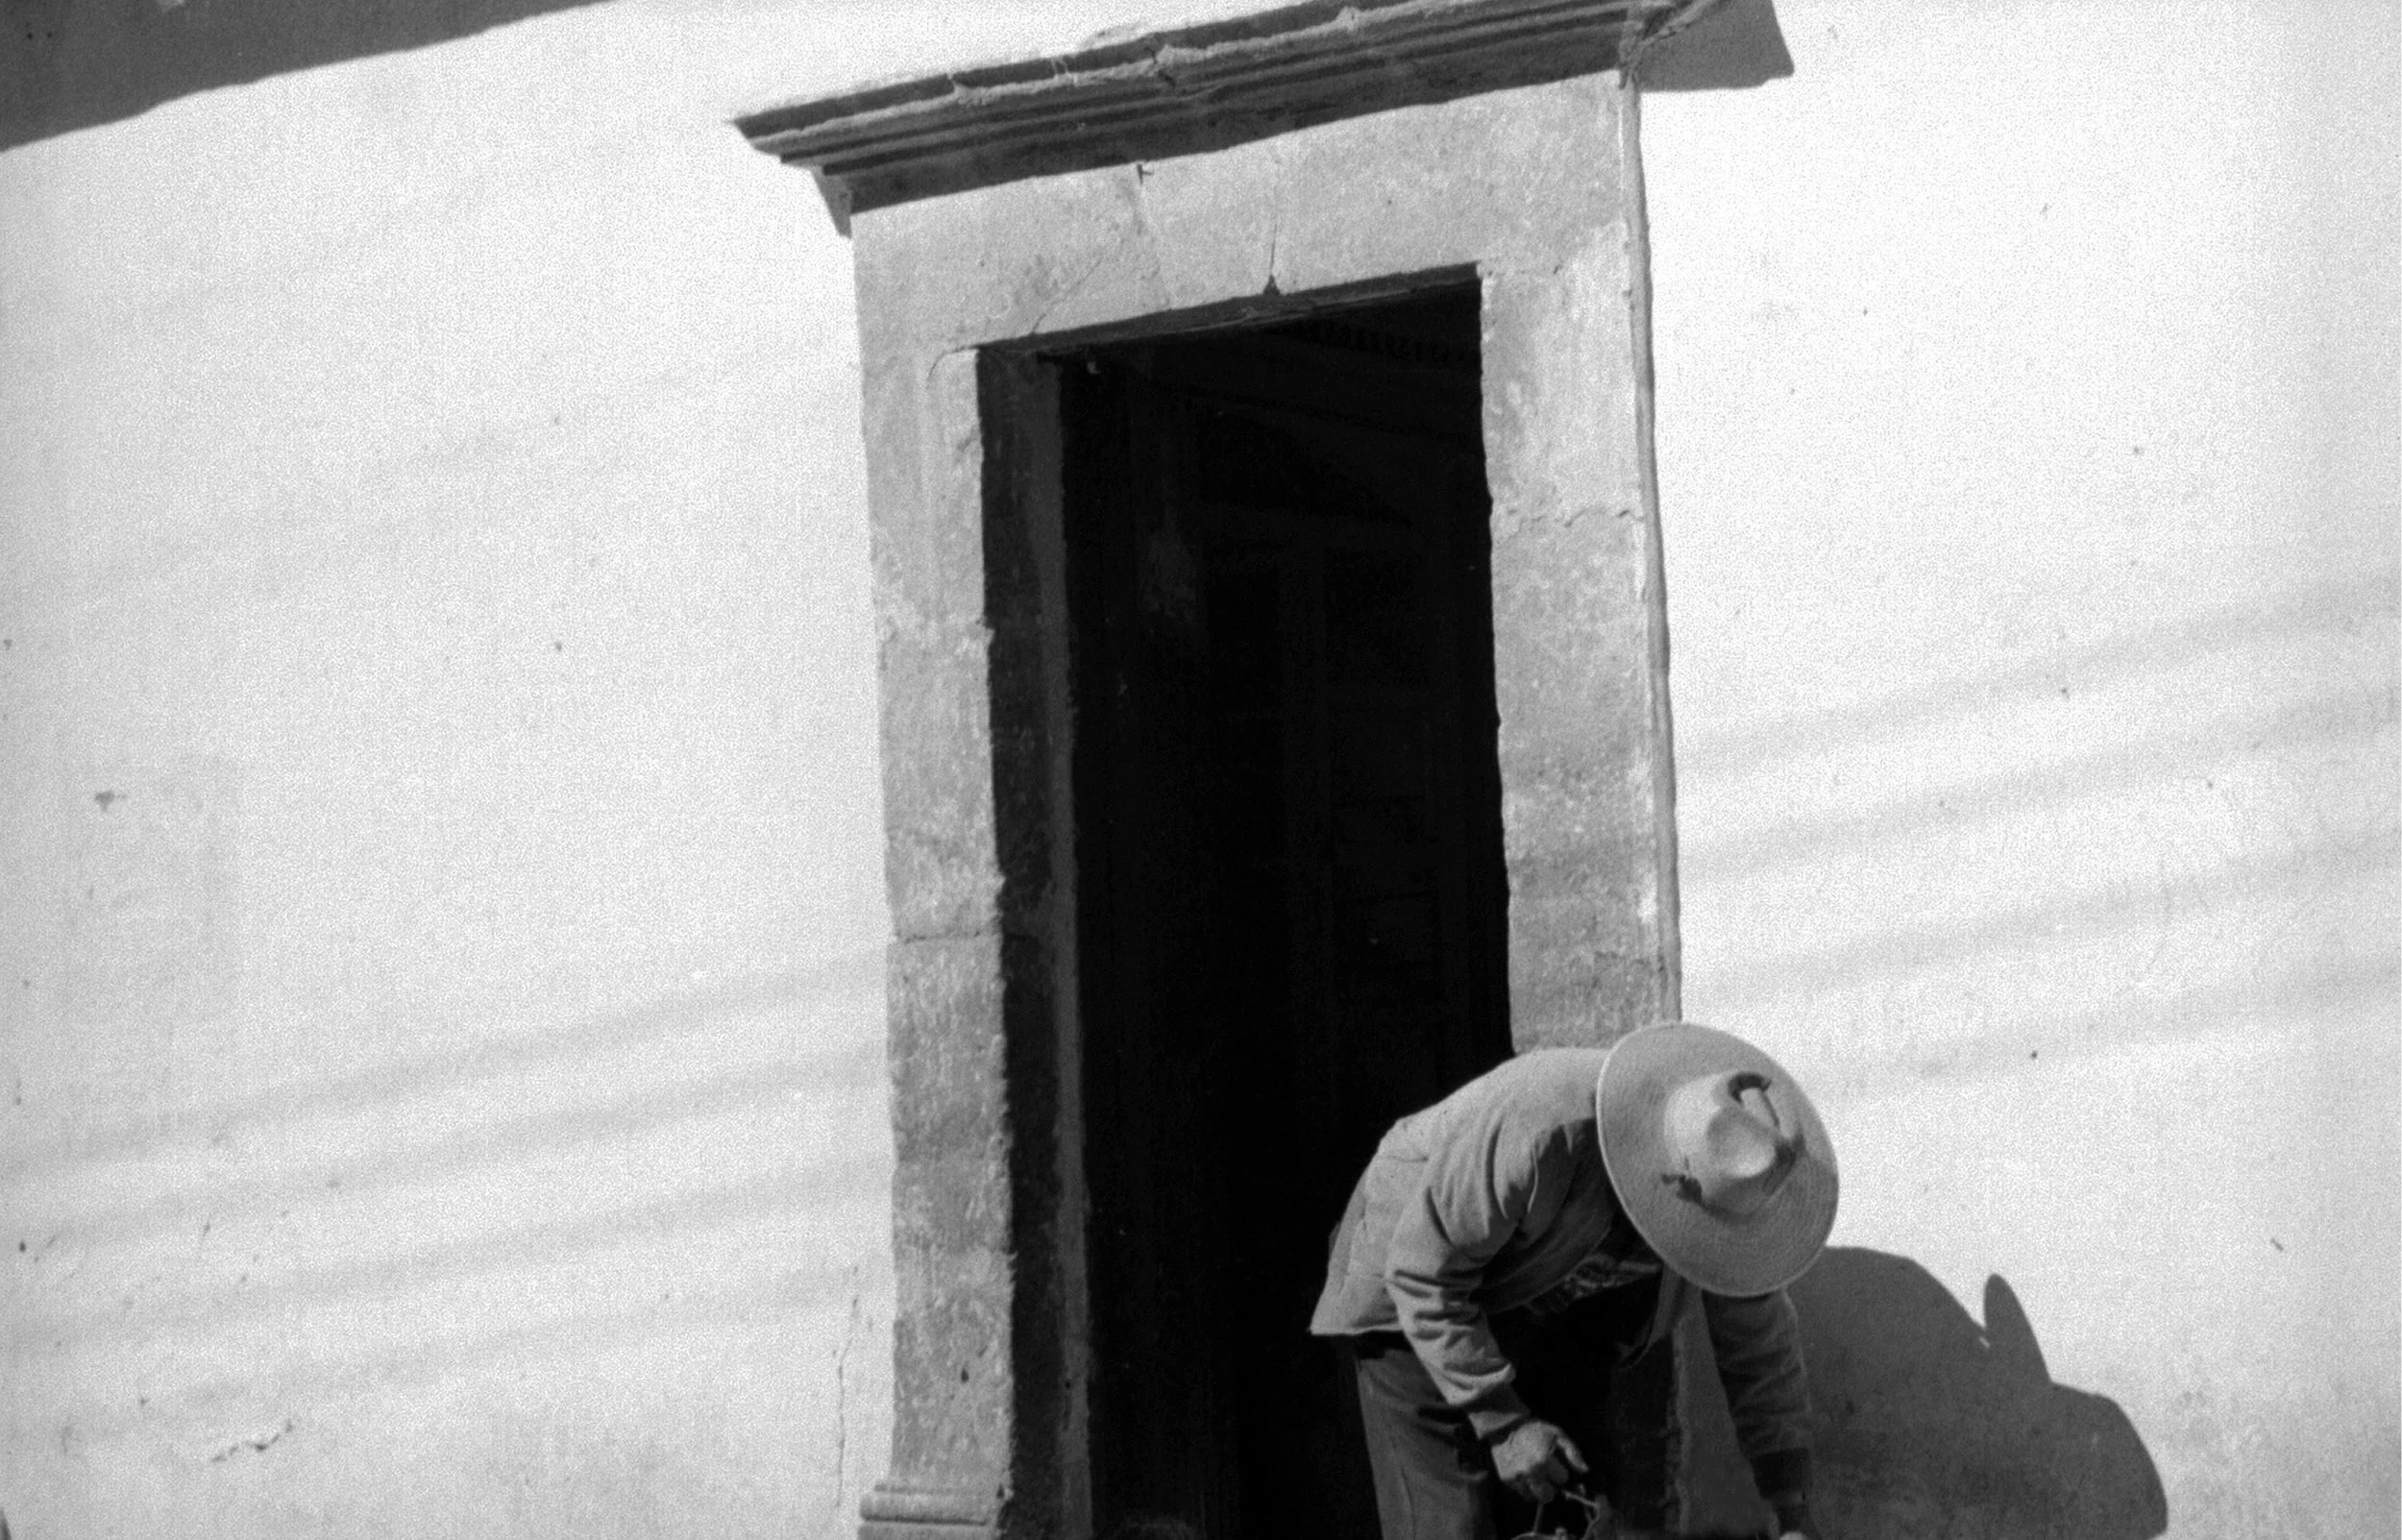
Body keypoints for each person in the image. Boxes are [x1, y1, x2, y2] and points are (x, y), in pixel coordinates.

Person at [1311, 1022, 1837, 1540]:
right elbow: (1422, 1273)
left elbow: (1758, 1347)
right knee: (1455, 1522)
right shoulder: (1544, 1130)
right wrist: (1506, 1424)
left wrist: (1788, 1506)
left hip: (1541, 1313)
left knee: (1580, 1515)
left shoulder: (1739, 1192)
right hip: (1416, 1289)